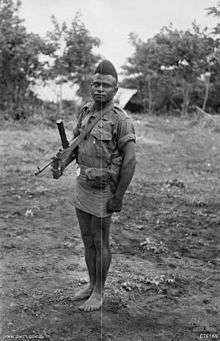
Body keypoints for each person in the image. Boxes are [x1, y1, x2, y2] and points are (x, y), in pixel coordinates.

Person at [52, 60, 136, 311]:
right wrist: (62, 163)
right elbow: (75, 143)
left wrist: (118, 197)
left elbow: (130, 160)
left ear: (115, 89)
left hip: (103, 190)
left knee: (101, 241)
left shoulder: (121, 120)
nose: (100, 89)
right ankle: (91, 284)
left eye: (106, 85)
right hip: (83, 184)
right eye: (96, 84)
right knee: (87, 239)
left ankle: (100, 291)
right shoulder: (86, 111)